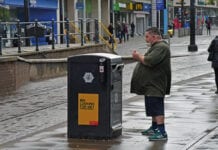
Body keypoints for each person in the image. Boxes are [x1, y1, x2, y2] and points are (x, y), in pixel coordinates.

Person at [130, 27, 171, 141]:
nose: (146, 39)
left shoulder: (161, 47)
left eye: (147, 36)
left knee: (157, 108)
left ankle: (161, 131)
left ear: (154, 36)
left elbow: (150, 61)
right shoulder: (155, 47)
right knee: (152, 107)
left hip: (156, 84)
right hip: (151, 84)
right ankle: (154, 128)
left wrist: (138, 57)